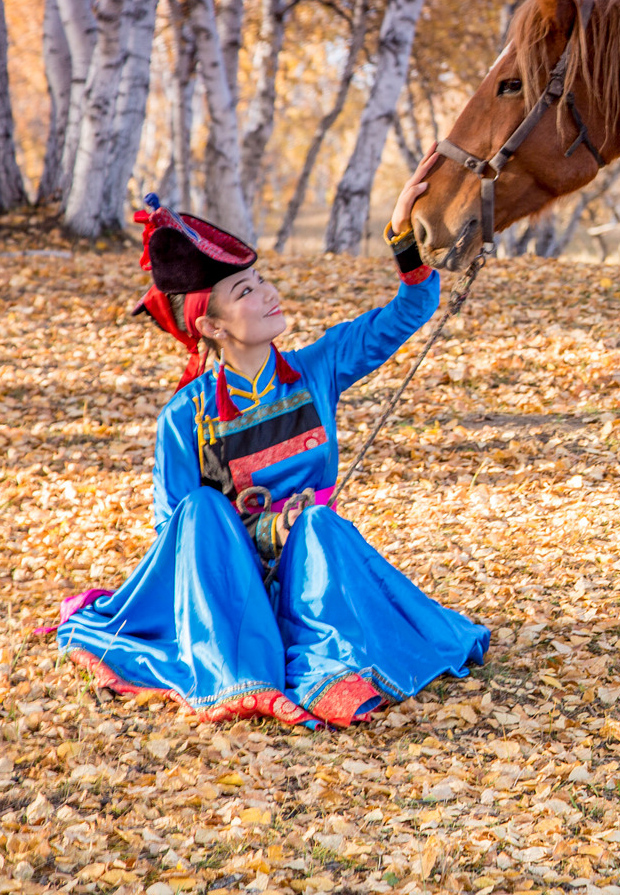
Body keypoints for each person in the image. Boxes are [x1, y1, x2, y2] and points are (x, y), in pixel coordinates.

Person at [46, 157, 488, 726]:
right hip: (230, 590)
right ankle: (238, 676)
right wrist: (260, 530)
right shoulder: (186, 415)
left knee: (320, 525)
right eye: (247, 291)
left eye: (263, 282)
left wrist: (404, 232)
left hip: (313, 565)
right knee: (201, 507)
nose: (269, 293)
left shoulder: (317, 369)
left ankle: (333, 670)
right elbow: (177, 535)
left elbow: (412, 308)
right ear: (212, 326)